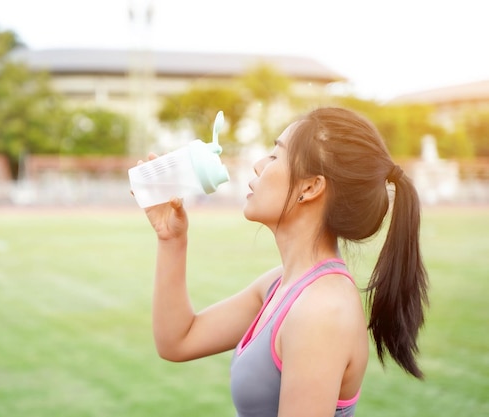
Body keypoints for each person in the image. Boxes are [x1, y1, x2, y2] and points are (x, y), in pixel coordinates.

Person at [136, 107, 429, 417]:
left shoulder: (322, 311)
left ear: (311, 187)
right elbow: (179, 341)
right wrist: (171, 240)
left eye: (275, 156)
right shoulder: (280, 284)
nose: (259, 165)